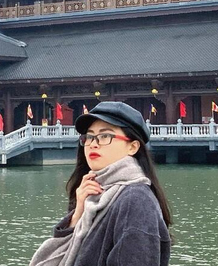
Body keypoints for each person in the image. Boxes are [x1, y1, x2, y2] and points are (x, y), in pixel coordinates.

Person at [30, 101, 172, 266]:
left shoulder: (135, 199)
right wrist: (78, 215)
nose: (93, 143)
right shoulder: (96, 196)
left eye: (105, 136)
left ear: (132, 147)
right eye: (89, 137)